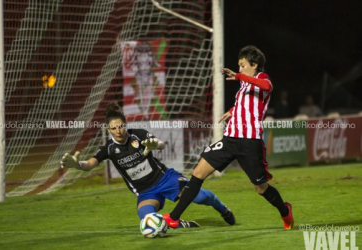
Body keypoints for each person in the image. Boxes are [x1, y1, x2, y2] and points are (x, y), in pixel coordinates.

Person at [163, 45, 294, 230]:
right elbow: (246, 103)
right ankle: (173, 218)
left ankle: (285, 211)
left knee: (261, 188)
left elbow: (267, 87)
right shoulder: (244, 85)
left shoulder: (261, 78)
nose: (239, 69)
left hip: (250, 142)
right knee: (198, 173)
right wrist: (232, 111)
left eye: (242, 65)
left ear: (254, 65)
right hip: (229, 139)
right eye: (238, 66)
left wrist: (240, 76)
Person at [60, 103, 235, 230]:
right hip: (146, 192)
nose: (119, 131)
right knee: (146, 218)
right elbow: (90, 164)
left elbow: (160, 144)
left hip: (165, 179)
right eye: (114, 128)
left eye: (121, 126)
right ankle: (178, 224)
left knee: (201, 197)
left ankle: (222, 208)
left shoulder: (138, 135)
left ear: (125, 124)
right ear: (108, 130)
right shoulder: (109, 149)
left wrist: (154, 145)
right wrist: (78, 165)